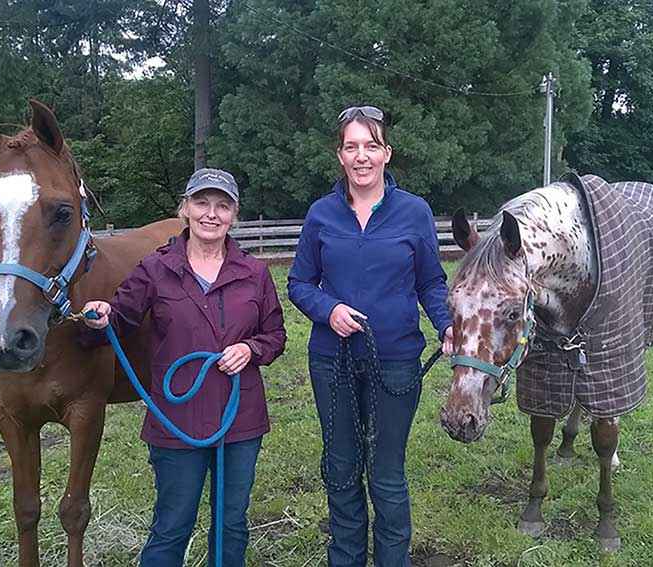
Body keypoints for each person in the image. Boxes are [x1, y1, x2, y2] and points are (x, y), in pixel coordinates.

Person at [79, 168, 286, 567]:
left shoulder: (254, 273)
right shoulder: (155, 268)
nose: (212, 214)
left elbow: (275, 336)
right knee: (172, 524)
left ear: (234, 215)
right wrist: (99, 320)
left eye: (222, 206)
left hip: (239, 418)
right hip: (177, 421)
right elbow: (119, 323)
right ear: (186, 209)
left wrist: (250, 348)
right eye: (202, 203)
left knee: (232, 524)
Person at [287, 105, 454, 566]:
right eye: (352, 147)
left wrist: (446, 324)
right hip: (332, 360)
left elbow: (430, 282)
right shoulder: (321, 214)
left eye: (371, 146)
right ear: (340, 156)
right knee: (340, 468)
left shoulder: (414, 212)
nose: (362, 156)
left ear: (386, 154)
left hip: (395, 361)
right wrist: (329, 309)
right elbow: (299, 283)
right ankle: (345, 558)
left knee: (386, 473)